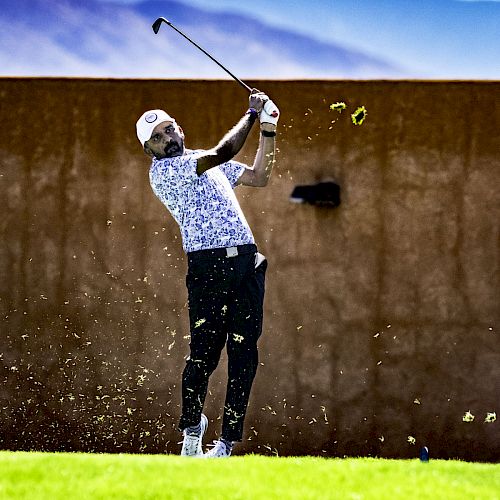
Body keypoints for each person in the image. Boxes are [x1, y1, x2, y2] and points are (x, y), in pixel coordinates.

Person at [135, 89, 279, 458]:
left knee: (244, 352)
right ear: (148, 150)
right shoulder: (165, 172)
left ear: (180, 130)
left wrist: (268, 128)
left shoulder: (202, 160)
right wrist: (250, 114)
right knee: (203, 354)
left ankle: (227, 441)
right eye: (156, 138)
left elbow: (260, 176)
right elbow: (224, 152)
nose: (166, 139)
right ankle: (192, 427)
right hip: (208, 267)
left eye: (168, 131)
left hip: (247, 262)